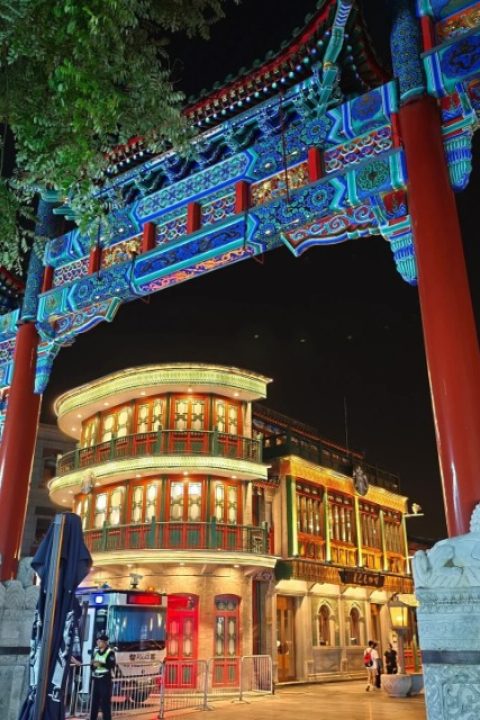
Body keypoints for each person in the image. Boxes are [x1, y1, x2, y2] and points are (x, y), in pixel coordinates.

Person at [89, 633, 116, 720]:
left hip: (105, 680)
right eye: (98, 641)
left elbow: (111, 665)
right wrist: (93, 665)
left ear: (105, 643)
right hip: (96, 679)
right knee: (94, 702)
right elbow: (92, 666)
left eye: (100, 641)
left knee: (105, 703)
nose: (98, 643)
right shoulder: (96, 652)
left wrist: (99, 664)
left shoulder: (110, 652)